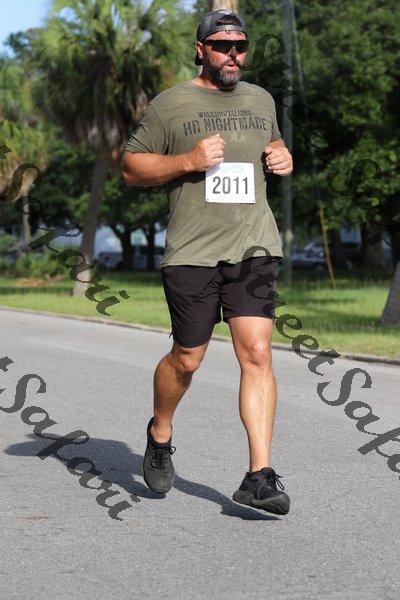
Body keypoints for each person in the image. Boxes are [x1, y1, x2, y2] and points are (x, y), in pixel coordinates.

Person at [122, 9, 293, 515]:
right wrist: (188, 161)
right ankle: (160, 431)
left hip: (254, 245)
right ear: (201, 49)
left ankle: (259, 476)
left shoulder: (261, 99)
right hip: (192, 252)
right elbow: (131, 167)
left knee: (257, 352)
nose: (232, 54)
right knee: (188, 358)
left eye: (240, 45)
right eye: (222, 45)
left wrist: (282, 156)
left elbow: (272, 144)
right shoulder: (170, 104)